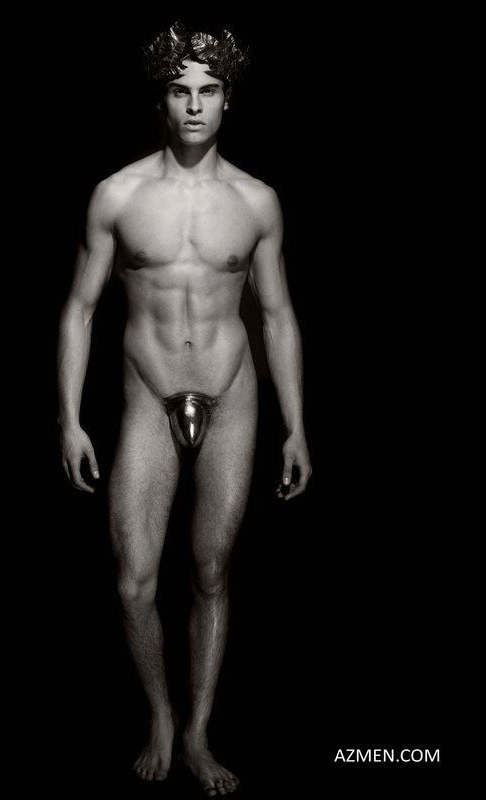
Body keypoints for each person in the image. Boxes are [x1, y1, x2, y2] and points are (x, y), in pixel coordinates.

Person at [57, 20, 312, 797]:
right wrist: (69, 418)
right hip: (147, 393)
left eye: (208, 91)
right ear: (162, 101)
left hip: (233, 394)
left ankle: (198, 732)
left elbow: (278, 316)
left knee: (210, 571)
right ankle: (160, 716)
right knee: (134, 580)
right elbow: (79, 309)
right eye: (180, 91)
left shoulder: (257, 201)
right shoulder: (118, 194)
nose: (194, 105)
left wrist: (298, 427)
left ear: (228, 101)